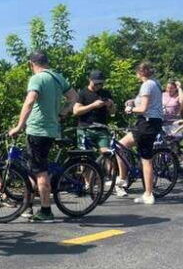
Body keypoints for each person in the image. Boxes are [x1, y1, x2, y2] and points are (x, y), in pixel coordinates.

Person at [8, 51, 77, 223]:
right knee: (34, 167)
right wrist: (63, 113)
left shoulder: (37, 78)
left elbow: (30, 101)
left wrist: (19, 126)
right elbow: (74, 97)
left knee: (40, 171)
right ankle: (30, 205)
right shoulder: (57, 77)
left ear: (31, 64)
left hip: (37, 130)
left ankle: (46, 211)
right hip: (52, 129)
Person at [114, 61, 164, 204]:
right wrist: (132, 101)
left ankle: (126, 180)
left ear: (140, 72)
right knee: (144, 157)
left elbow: (143, 108)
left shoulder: (146, 85)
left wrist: (130, 110)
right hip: (153, 123)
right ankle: (144, 190)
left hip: (146, 123)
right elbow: (146, 101)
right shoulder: (156, 83)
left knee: (122, 146)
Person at [73, 70, 114, 154]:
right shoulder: (83, 93)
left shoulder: (105, 93)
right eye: (96, 83)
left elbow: (112, 112)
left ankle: (105, 167)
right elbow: (76, 111)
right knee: (84, 156)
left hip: (102, 129)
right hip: (85, 129)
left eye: (101, 83)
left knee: (107, 154)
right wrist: (93, 105)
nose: (98, 86)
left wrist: (110, 105)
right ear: (90, 80)